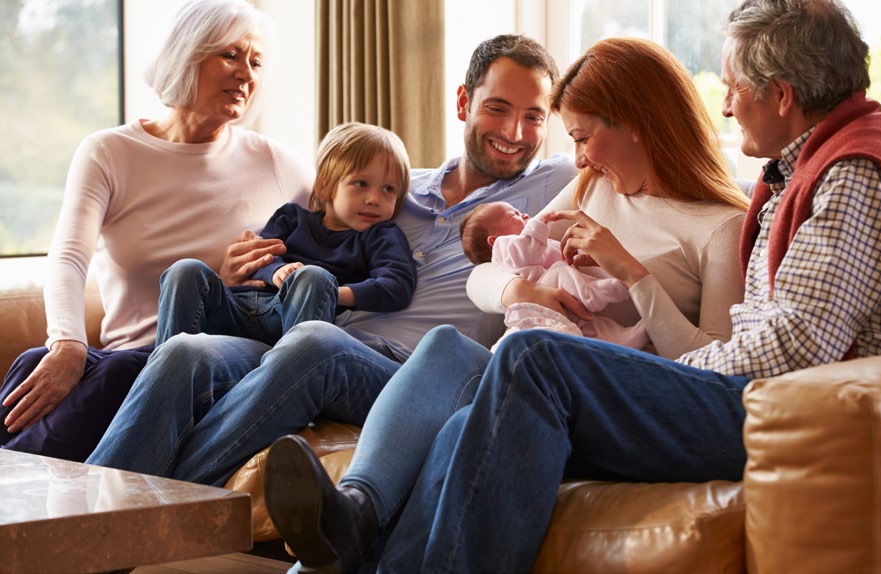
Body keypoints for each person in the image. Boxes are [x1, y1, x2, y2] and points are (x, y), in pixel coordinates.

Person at [264, 36, 759, 573]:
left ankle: (340, 541)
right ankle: (353, 509)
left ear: (635, 121)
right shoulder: (593, 188)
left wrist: (632, 273)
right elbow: (491, 266)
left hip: (604, 392)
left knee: (457, 429)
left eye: (584, 137)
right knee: (447, 346)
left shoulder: (721, 227)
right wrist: (522, 291)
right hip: (530, 364)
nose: (578, 158)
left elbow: (714, 365)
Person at [85, 35, 579, 487]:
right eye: (498, 108)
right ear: (463, 102)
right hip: (305, 337)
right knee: (184, 352)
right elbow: (304, 220)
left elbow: (630, 133)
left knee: (316, 343)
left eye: (534, 116)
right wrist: (242, 267)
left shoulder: (552, 185)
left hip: (409, 371)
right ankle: (68, 536)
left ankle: (156, 506)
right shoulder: (394, 187)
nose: (515, 132)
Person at [0, 0, 314, 462]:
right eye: (230, 55)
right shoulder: (109, 152)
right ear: (186, 55)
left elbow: (343, 235)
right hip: (125, 355)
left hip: (208, 364)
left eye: (256, 61)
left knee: (111, 376)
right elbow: (68, 257)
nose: (246, 73)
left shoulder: (278, 165)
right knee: (34, 364)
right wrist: (67, 343)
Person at [155, 122, 416, 347]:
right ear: (325, 187)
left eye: (388, 190)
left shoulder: (381, 235)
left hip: (292, 319)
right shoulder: (291, 217)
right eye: (361, 184)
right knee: (185, 270)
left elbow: (397, 285)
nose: (374, 199)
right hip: (240, 309)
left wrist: (333, 292)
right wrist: (276, 271)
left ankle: (288, 374)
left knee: (312, 277)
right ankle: (163, 367)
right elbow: (258, 259)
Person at [460, 201, 649, 350]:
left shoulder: (537, 240)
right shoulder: (505, 249)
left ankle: (639, 333)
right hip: (542, 296)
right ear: (494, 240)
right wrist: (538, 223)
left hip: (566, 309)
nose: (524, 215)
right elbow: (528, 251)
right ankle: (594, 293)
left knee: (601, 331)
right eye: (514, 214)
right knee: (559, 270)